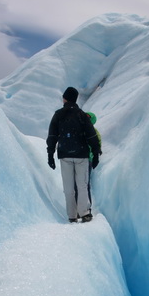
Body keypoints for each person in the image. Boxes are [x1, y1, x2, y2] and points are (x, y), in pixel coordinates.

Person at [47, 87, 100, 223]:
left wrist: (50, 155)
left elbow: (52, 136)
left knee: (68, 187)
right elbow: (91, 135)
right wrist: (95, 153)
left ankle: (72, 215)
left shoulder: (58, 115)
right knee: (82, 185)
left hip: (65, 155)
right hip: (81, 154)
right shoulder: (82, 115)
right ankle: (84, 213)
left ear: (65, 98)